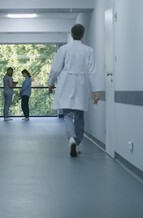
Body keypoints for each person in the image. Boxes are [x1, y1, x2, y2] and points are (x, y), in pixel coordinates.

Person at [48, 24, 101, 157]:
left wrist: (50, 83)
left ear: (71, 35)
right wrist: (96, 90)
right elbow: (92, 72)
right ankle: (77, 142)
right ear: (83, 34)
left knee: (67, 114)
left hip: (66, 83)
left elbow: (55, 69)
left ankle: (71, 138)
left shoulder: (64, 49)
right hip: (81, 85)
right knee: (79, 115)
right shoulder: (89, 51)